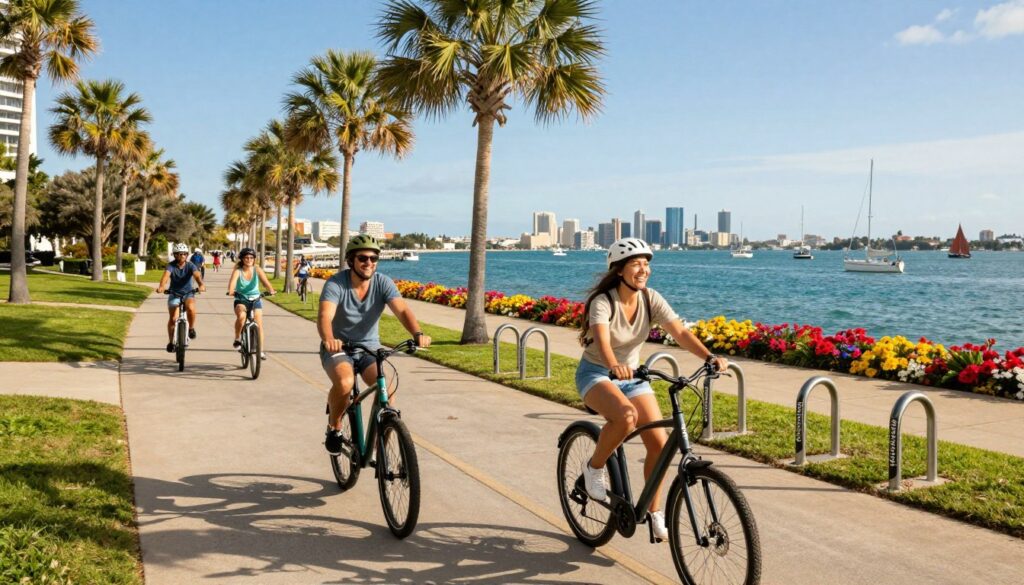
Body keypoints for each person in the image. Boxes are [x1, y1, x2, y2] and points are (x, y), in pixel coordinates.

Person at [575, 237, 728, 543]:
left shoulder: (650, 298)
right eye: (636, 264)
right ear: (619, 270)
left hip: (633, 376)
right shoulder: (603, 302)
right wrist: (614, 365)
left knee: (659, 445)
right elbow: (603, 341)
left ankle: (655, 512)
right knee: (627, 417)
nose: (643, 270)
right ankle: (594, 468)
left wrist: (709, 357)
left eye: (646, 264)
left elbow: (680, 332)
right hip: (597, 373)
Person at [318, 234, 432, 453]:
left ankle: (382, 447)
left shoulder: (382, 282)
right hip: (339, 347)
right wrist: (329, 339)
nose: (369, 262)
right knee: (345, 382)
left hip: (370, 348)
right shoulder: (336, 284)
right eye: (363, 258)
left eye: (373, 258)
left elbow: (403, 310)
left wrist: (418, 333)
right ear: (351, 260)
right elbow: (324, 316)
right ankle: (334, 427)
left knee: (387, 392)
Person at [226, 247, 276, 360]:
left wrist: (271, 290)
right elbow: (232, 283)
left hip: (256, 298)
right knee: (242, 317)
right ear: (242, 259)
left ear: (254, 259)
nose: (249, 260)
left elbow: (265, 282)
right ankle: (238, 338)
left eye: (251, 258)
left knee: (259, 323)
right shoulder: (238, 271)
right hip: (241, 298)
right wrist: (231, 291)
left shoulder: (257, 269)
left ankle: (260, 350)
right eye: (246, 258)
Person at [156, 243, 207, 352]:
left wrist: (201, 285)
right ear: (175, 255)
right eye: (180, 254)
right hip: (174, 293)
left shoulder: (190, 265)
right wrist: (161, 287)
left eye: (184, 254)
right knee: (173, 319)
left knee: (191, 308)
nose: (182, 256)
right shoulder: (171, 266)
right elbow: (165, 276)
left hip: (188, 293)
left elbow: (197, 275)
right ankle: (171, 342)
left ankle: (191, 328)